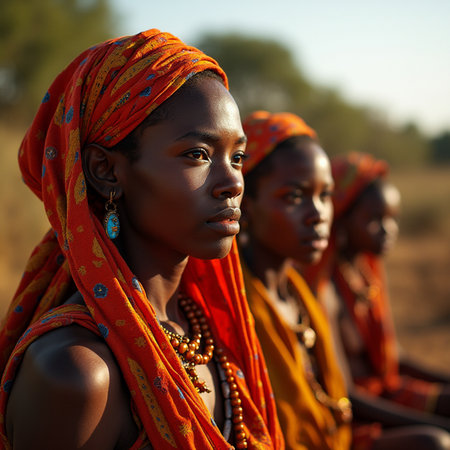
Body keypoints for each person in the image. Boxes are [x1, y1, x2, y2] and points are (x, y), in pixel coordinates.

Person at [0, 30, 283, 449]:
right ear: (105, 169)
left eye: (237, 157)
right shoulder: (77, 373)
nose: (232, 183)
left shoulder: (209, 328)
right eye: (198, 154)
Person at [304, 152, 450, 448]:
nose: (388, 231)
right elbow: (343, 392)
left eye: (392, 219)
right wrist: (434, 423)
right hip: (353, 415)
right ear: (341, 219)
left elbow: (393, 357)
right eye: (375, 220)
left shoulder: (364, 273)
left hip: (385, 393)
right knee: (434, 441)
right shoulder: (322, 287)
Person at [239, 110, 352, 450]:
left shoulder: (300, 293)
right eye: (294, 197)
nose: (318, 214)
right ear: (245, 205)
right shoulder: (236, 307)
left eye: (325, 195)